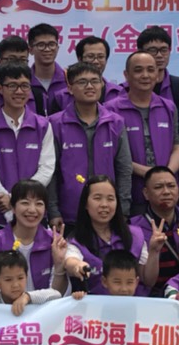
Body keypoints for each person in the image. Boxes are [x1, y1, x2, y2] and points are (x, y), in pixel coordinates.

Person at [47, 62, 131, 227]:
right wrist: (53, 210)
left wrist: (123, 209)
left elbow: (124, 169)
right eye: (82, 82)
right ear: (70, 88)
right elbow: (51, 172)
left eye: (95, 81)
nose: (90, 86)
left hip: (108, 212)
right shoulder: (55, 124)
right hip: (69, 213)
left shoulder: (115, 123)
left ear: (102, 85)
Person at [0, 62, 54, 231]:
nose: (19, 91)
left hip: (34, 215)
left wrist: (17, 200)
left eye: (24, 86)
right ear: (0, 88)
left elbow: (47, 168)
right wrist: (9, 206)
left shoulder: (43, 126)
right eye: (12, 86)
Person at [106, 51, 179, 214]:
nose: (145, 75)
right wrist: (149, 173)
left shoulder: (168, 107)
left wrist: (166, 174)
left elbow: (177, 146)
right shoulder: (110, 110)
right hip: (130, 192)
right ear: (126, 75)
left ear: (157, 74)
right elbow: (111, 153)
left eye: (150, 70)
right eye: (138, 70)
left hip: (165, 194)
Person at [61, 174, 153, 294]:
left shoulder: (136, 235)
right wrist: (78, 266)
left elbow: (148, 280)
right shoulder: (76, 240)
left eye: (110, 199)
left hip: (135, 303)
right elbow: (70, 261)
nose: (104, 204)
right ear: (85, 204)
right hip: (96, 304)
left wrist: (155, 251)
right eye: (97, 198)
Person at [0, 179, 63, 290]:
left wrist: (59, 264)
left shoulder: (55, 241)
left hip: (47, 302)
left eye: (39, 204)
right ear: (12, 207)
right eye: (25, 203)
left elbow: (59, 292)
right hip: (5, 302)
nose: (32, 210)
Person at [134, 166, 179, 294]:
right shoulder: (134, 228)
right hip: (151, 297)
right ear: (146, 193)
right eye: (158, 187)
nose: (166, 192)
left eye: (171, 186)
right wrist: (154, 251)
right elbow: (145, 280)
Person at [136, 26, 179, 104]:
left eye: (164, 50)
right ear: (140, 52)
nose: (159, 55)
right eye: (153, 50)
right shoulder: (126, 89)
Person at [27, 23, 69, 115]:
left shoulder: (69, 80)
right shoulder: (24, 81)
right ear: (30, 50)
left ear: (57, 48)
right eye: (41, 45)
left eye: (52, 44)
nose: (47, 49)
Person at [75, 36, 122, 100]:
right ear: (79, 59)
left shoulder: (119, 93)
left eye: (100, 57)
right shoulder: (65, 95)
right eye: (90, 56)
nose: (96, 61)